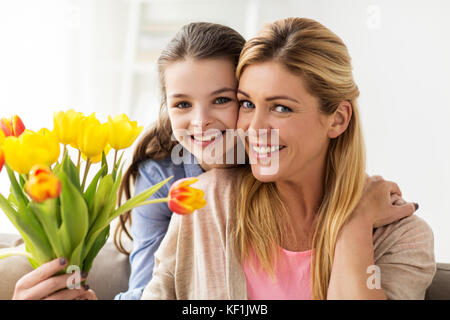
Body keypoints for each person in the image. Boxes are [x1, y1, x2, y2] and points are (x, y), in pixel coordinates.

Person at [141, 17, 435, 300]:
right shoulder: (206, 200)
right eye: (247, 104)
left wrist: (353, 226)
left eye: (281, 108)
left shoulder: (401, 237)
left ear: (337, 119)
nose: (253, 129)